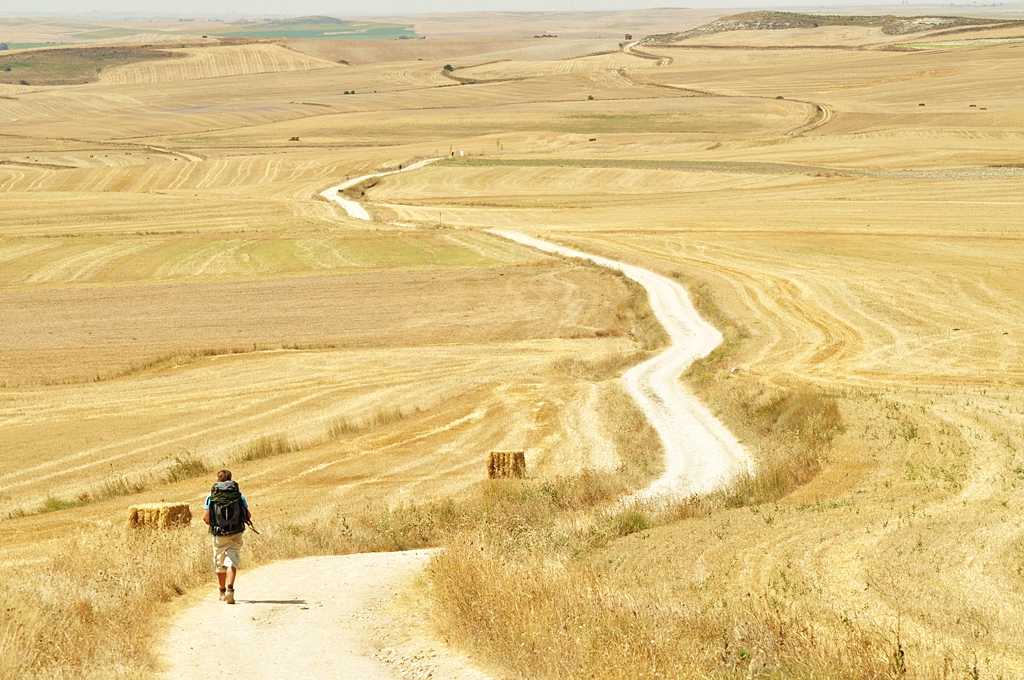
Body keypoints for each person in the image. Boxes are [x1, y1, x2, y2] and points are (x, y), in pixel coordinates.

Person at [203, 469, 251, 605]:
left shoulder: (211, 496)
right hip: (236, 533)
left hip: (219, 535)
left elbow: (206, 518)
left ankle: (222, 591)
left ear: (218, 480)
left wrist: (215, 524)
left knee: (220, 563)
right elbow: (248, 516)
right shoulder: (238, 496)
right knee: (232, 562)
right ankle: (230, 590)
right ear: (231, 479)